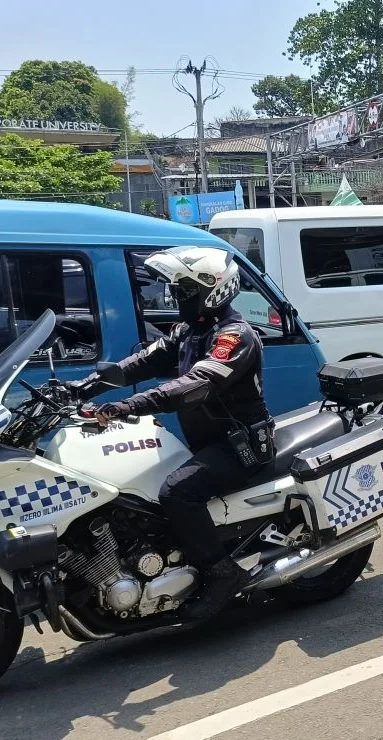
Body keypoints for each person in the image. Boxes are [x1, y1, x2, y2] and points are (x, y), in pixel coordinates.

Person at [70, 246, 271, 622]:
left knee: (176, 492)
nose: (176, 298)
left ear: (213, 290)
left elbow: (195, 384)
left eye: (183, 291)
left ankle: (222, 574)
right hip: (206, 443)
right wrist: (85, 386)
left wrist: (127, 406)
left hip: (237, 446)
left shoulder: (234, 337)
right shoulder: (191, 331)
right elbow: (142, 362)